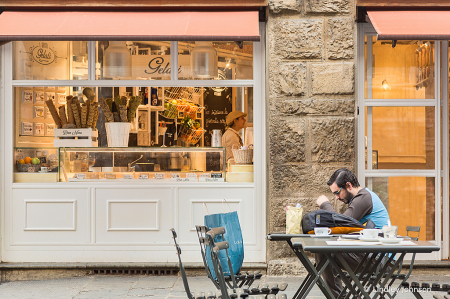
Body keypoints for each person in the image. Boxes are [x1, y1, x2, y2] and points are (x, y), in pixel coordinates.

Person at [315, 168, 391, 298]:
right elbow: (343, 226)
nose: (337, 197)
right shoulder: (362, 198)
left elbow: (340, 223)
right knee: (324, 256)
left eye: (337, 192)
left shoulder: (364, 198)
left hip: (381, 261)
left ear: (348, 185)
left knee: (324, 254)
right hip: (374, 256)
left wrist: (325, 205)